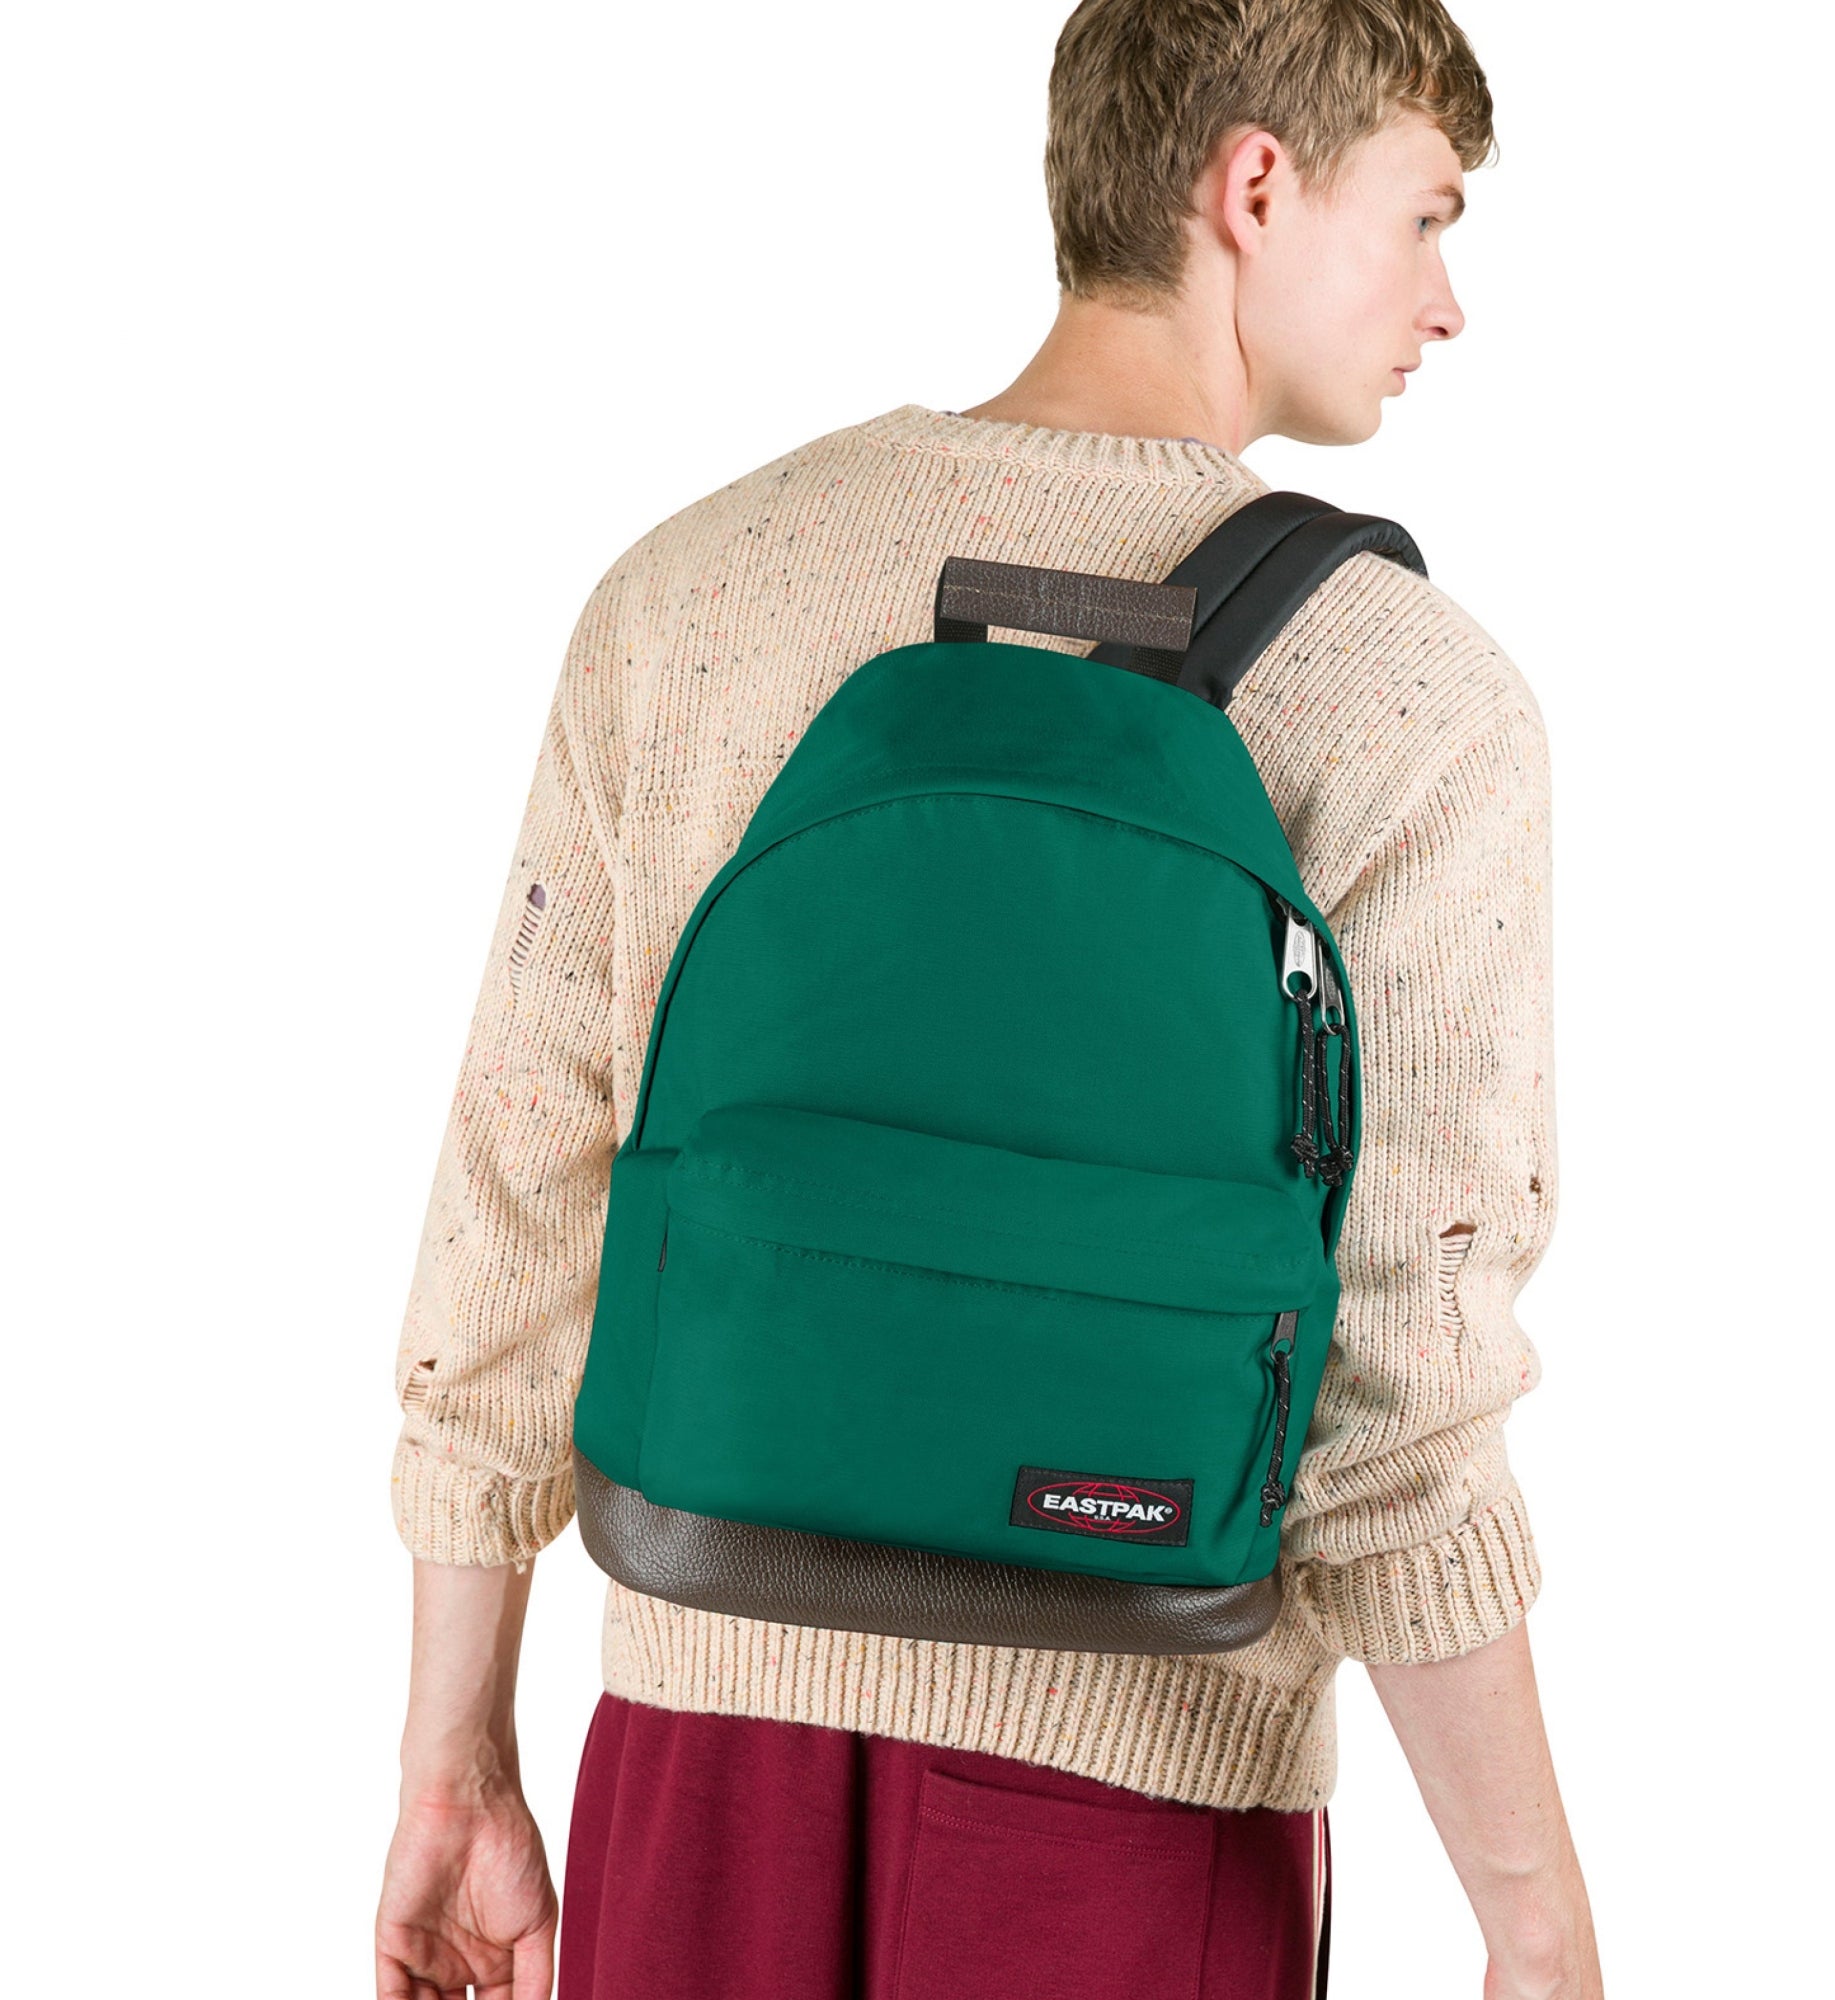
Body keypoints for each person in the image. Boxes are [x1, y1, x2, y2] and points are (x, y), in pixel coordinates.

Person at [375, 2, 1603, 1995]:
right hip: (1130, 1807)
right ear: (1256, 186)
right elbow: (1396, 1395)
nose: (1446, 301)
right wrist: (1532, 1918)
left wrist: (452, 1762)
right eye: (1426, 216)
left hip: (691, 1769)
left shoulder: (691, 592)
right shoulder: (1408, 699)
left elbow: (516, 1197)